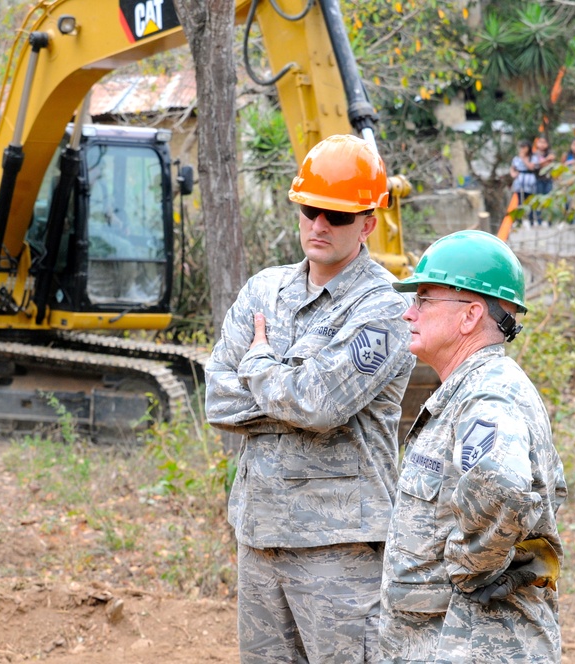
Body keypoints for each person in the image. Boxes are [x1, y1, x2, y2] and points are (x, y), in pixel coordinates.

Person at [205, 134, 416, 663]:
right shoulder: (263, 290)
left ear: (368, 222)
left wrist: (257, 365)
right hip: (259, 538)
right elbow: (218, 400)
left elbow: (319, 404)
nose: (319, 225)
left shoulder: (385, 308)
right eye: (310, 210)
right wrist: (293, 395)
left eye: (337, 216)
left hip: (340, 550)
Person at [378, 230, 568, 664]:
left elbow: (503, 487)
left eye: (424, 299)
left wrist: (468, 568)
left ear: (469, 316)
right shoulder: (474, 389)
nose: (410, 314)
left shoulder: (487, 396)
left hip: (471, 644)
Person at [509, 139, 538, 226]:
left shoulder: (533, 158)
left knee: (529, 201)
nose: (522, 149)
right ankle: (519, 220)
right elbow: (513, 168)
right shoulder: (516, 159)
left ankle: (531, 219)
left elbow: (531, 167)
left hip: (529, 180)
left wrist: (524, 159)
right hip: (519, 180)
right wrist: (513, 174)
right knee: (519, 202)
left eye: (524, 147)